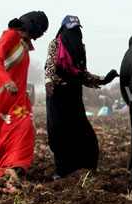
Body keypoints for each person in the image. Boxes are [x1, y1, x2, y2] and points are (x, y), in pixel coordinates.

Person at [45, 15, 118, 181]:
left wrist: (104, 79)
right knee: (60, 134)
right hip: (57, 95)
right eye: (72, 29)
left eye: (77, 29)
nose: (75, 33)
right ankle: (60, 172)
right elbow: (50, 66)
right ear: (64, 29)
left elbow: (83, 74)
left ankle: (84, 170)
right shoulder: (55, 44)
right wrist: (48, 82)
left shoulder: (80, 48)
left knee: (85, 136)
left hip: (74, 96)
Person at [0, 11, 49, 193]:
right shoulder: (10, 36)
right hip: (2, 93)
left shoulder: (24, 43)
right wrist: (7, 81)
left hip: (17, 97)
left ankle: (13, 167)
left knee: (25, 128)